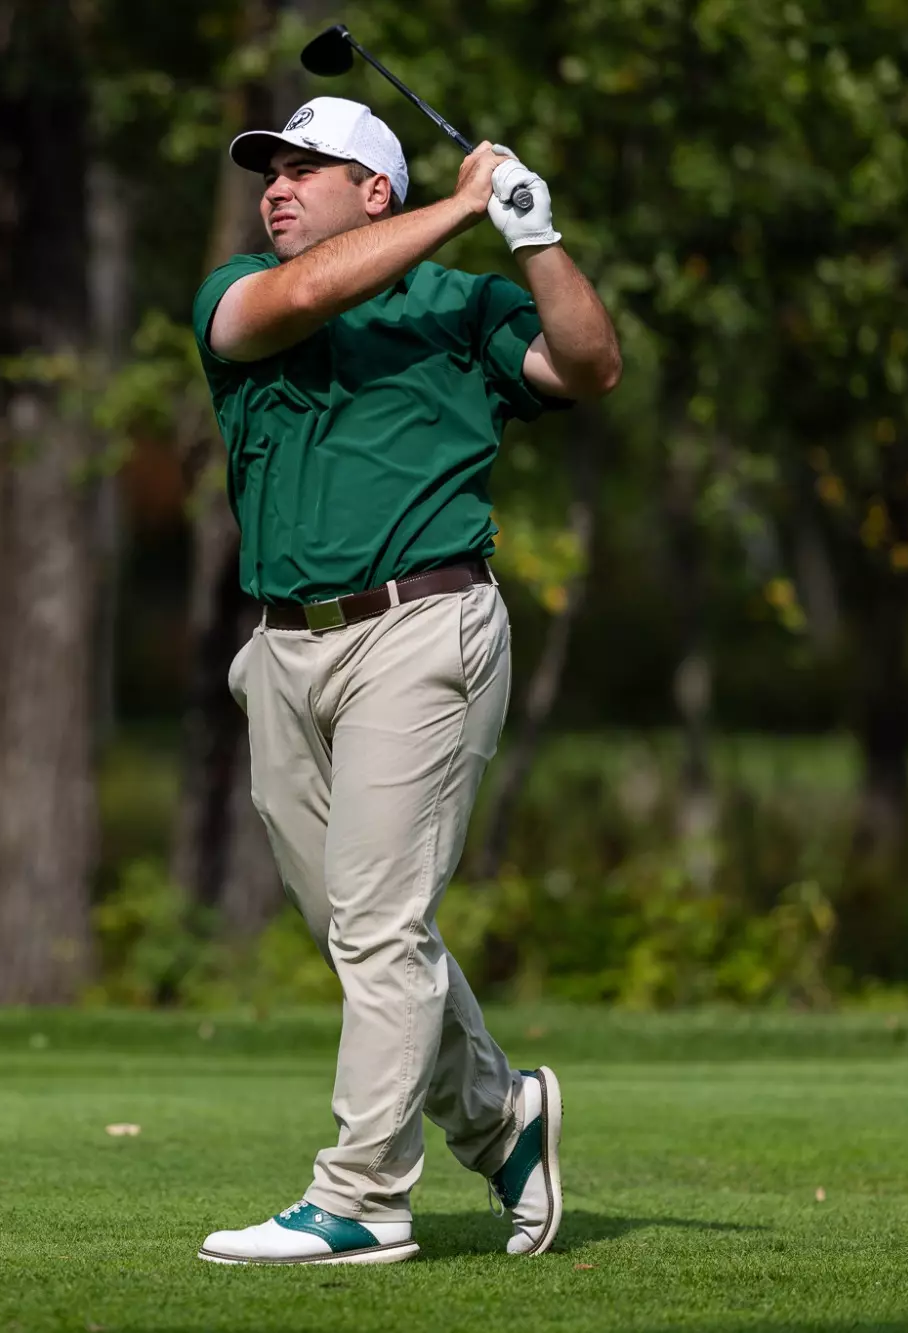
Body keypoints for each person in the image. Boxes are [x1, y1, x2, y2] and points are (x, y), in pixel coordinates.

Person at [190, 96, 621, 1266]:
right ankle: (500, 1117)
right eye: (268, 170)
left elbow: (589, 364)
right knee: (358, 931)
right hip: (280, 649)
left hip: (421, 627)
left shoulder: (461, 306)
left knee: (381, 924)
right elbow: (302, 297)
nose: (275, 186)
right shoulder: (236, 294)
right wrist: (466, 201)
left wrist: (532, 240)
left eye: (306, 169)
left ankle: (362, 1198)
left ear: (371, 191)